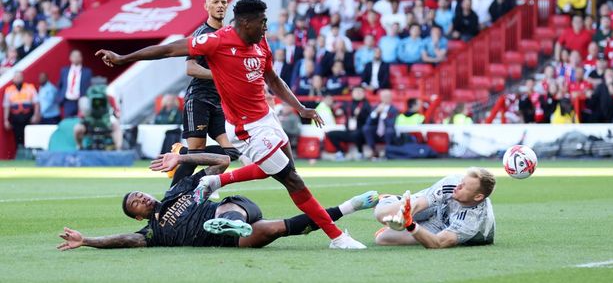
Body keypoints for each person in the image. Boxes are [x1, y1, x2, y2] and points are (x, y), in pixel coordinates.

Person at [96, 0, 366, 249]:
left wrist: (299, 108)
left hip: (267, 119)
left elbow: (273, 79)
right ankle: (337, 237)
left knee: (287, 171)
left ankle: (216, 181)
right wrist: (123, 57)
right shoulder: (216, 41)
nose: (266, 27)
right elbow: (168, 49)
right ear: (246, 23)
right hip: (245, 128)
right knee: (293, 181)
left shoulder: (261, 43)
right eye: (262, 22)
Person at [57, 153, 379, 250]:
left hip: (237, 207)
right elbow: (123, 240)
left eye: (139, 194)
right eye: (136, 204)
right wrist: (87, 241)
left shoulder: (178, 189)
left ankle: (232, 222)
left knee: (226, 209)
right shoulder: (151, 233)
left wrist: (184, 156)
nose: (141, 198)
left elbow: (221, 162)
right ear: (139, 217)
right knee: (274, 230)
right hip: (228, 243)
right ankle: (351, 205)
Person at [172, 0, 242, 183]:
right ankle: (170, 199)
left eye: (223, 2)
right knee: (195, 156)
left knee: (232, 153)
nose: (220, 6)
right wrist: (220, 75)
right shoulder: (202, 34)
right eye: (215, 2)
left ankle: (183, 153)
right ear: (206, 6)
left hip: (219, 102)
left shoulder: (230, 34)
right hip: (199, 99)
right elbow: (191, 69)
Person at [373, 167, 496, 248]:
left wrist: (410, 224)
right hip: (438, 206)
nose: (457, 186)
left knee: (382, 239)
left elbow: (438, 243)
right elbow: (421, 203)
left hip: (442, 227)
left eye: (464, 186)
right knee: (381, 214)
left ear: (478, 197)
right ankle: (390, 199)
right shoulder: (453, 182)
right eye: (461, 181)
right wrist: (404, 214)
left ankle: (406, 221)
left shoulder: (473, 220)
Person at [325, 86, 371, 161]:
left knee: (357, 134)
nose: (358, 94)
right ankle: (341, 152)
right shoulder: (348, 104)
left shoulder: (366, 105)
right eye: (356, 92)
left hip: (361, 132)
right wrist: (331, 107)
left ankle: (360, 152)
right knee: (331, 134)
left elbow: (370, 118)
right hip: (349, 131)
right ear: (352, 93)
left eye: (360, 92)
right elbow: (338, 113)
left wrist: (361, 114)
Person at [3, 71, 40, 149]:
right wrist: (6, 120)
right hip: (15, 116)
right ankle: (20, 153)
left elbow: (36, 102)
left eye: (19, 77)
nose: (18, 79)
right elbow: (6, 106)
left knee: (29, 135)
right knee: (17, 135)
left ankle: (29, 153)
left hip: (28, 115)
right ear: (13, 79)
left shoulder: (30, 87)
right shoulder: (9, 90)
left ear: (22, 78)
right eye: (16, 77)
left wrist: (36, 115)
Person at [362, 89, 399, 159]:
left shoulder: (394, 109)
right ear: (381, 98)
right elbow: (368, 122)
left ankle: (388, 151)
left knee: (389, 131)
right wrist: (376, 112)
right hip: (376, 131)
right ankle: (373, 151)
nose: (385, 98)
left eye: (387, 96)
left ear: (391, 98)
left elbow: (391, 124)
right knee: (366, 128)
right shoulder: (375, 108)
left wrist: (383, 114)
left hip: (387, 132)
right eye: (384, 97)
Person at [56, 49, 92, 118]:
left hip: (81, 100)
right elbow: (60, 85)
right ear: (70, 58)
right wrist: (59, 97)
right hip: (68, 101)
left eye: (78, 56)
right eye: (74, 56)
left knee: (82, 121)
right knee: (68, 121)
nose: (75, 58)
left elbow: (90, 86)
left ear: (81, 58)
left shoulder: (87, 72)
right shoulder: (64, 70)